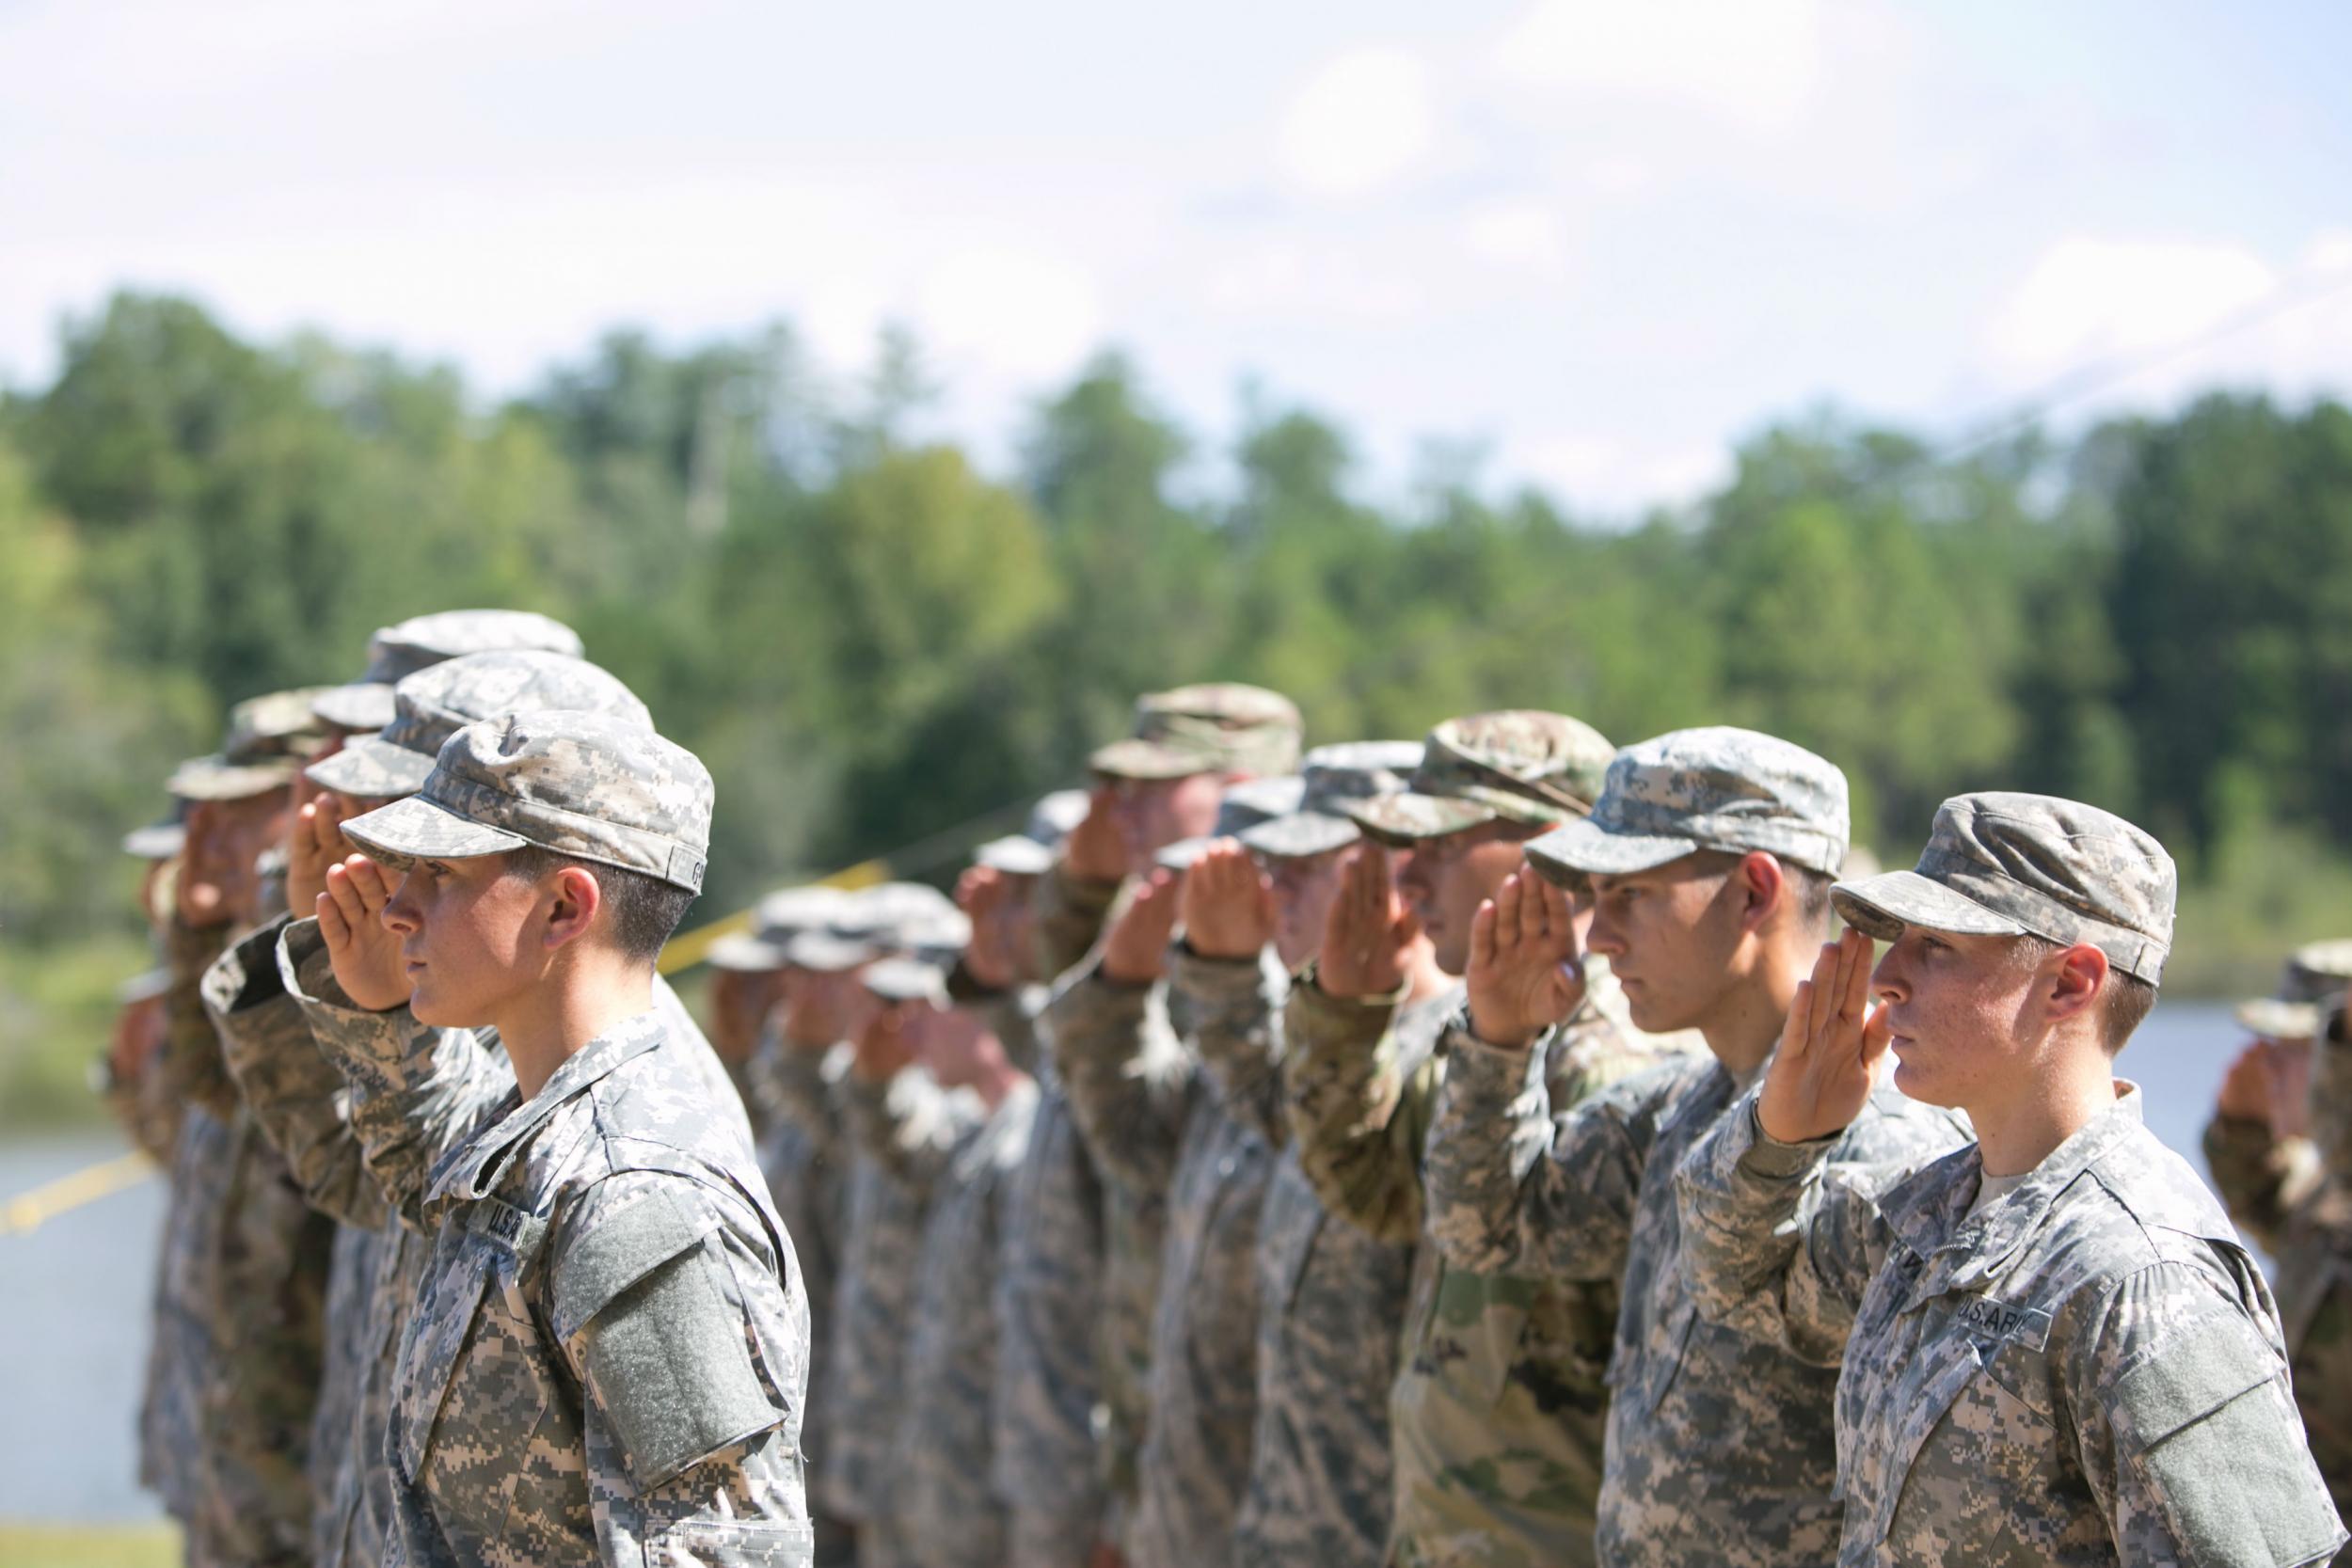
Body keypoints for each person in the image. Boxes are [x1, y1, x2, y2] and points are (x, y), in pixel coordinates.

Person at [1677, 791, 2345, 1565]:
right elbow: (1732, 1287)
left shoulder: (2143, 1280)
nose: (1888, 977)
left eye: (1938, 947)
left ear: (2070, 983)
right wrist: (1782, 1137)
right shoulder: (1930, 1214)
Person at [1419, 726, 1966, 1567]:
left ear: (1753, 892)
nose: (1599, 935)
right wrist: (1498, 1043)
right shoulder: (1675, 1109)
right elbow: (1488, 1227)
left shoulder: (1894, 1147)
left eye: (1630, 893)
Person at [302, 709, 815, 1565]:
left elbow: (718, 1548)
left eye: (439, 871)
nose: (397, 908)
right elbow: (420, 1156)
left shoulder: (636, 1196)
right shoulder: (540, 1126)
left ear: (564, 908)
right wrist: (384, 1013)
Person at [203, 648, 660, 1568]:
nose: (376, 856)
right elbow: (362, 1176)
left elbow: (696, 1529)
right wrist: (343, 978)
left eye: (437, 853)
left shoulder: (618, 1124)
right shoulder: (480, 1007)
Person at [1279, 711, 1683, 1568]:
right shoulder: (1492, 1033)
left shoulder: (1613, 1064)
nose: (1411, 877)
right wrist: (1344, 1020)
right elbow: (1379, 1197)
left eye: (1442, 842)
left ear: (1555, 845)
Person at [1035, 682, 1302, 1560]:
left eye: (1158, 784)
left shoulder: (1294, 960)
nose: (1125, 809)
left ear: (1238, 782)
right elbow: (1126, 1136)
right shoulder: (1171, 930)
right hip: (1162, 1434)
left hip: (1266, 1470)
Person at [1171, 741, 1425, 1568]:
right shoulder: (1327, 1056)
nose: (1273, 893)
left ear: (1397, 873)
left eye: (1304, 869)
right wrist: (1220, 965)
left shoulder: (1437, 1061)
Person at [139, 687, 340, 1568]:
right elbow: (209, 1092)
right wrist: (197, 935)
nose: (208, 837)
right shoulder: (245, 972)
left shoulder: (335, 967)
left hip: (302, 1461)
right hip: (233, 1448)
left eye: (238, 811)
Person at [850, 954, 1041, 1568]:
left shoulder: (1025, 1142)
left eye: (930, 1013)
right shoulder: (975, 1134)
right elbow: (898, 1141)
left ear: (981, 1016)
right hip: (936, 1480)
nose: (913, 1033)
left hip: (990, 1490)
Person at [2205, 941, 2352, 1521]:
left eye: (2294, 1046)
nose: (2262, 1062)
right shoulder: (2326, 1196)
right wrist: (2239, 1127)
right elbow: (2274, 1208)